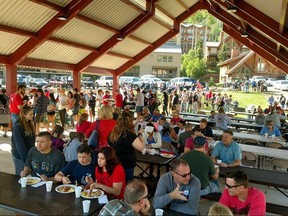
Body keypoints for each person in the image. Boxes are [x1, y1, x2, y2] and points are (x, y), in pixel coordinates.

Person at [108, 112, 144, 183]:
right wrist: (140, 134)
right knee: (127, 183)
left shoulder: (112, 134)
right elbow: (141, 148)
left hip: (115, 162)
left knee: (116, 182)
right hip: (127, 164)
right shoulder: (130, 135)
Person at [11, 105, 35, 175]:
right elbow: (20, 145)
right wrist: (26, 161)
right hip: (20, 156)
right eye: (30, 114)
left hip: (29, 155)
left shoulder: (30, 123)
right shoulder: (18, 127)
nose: (32, 116)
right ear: (24, 115)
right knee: (20, 175)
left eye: (33, 114)